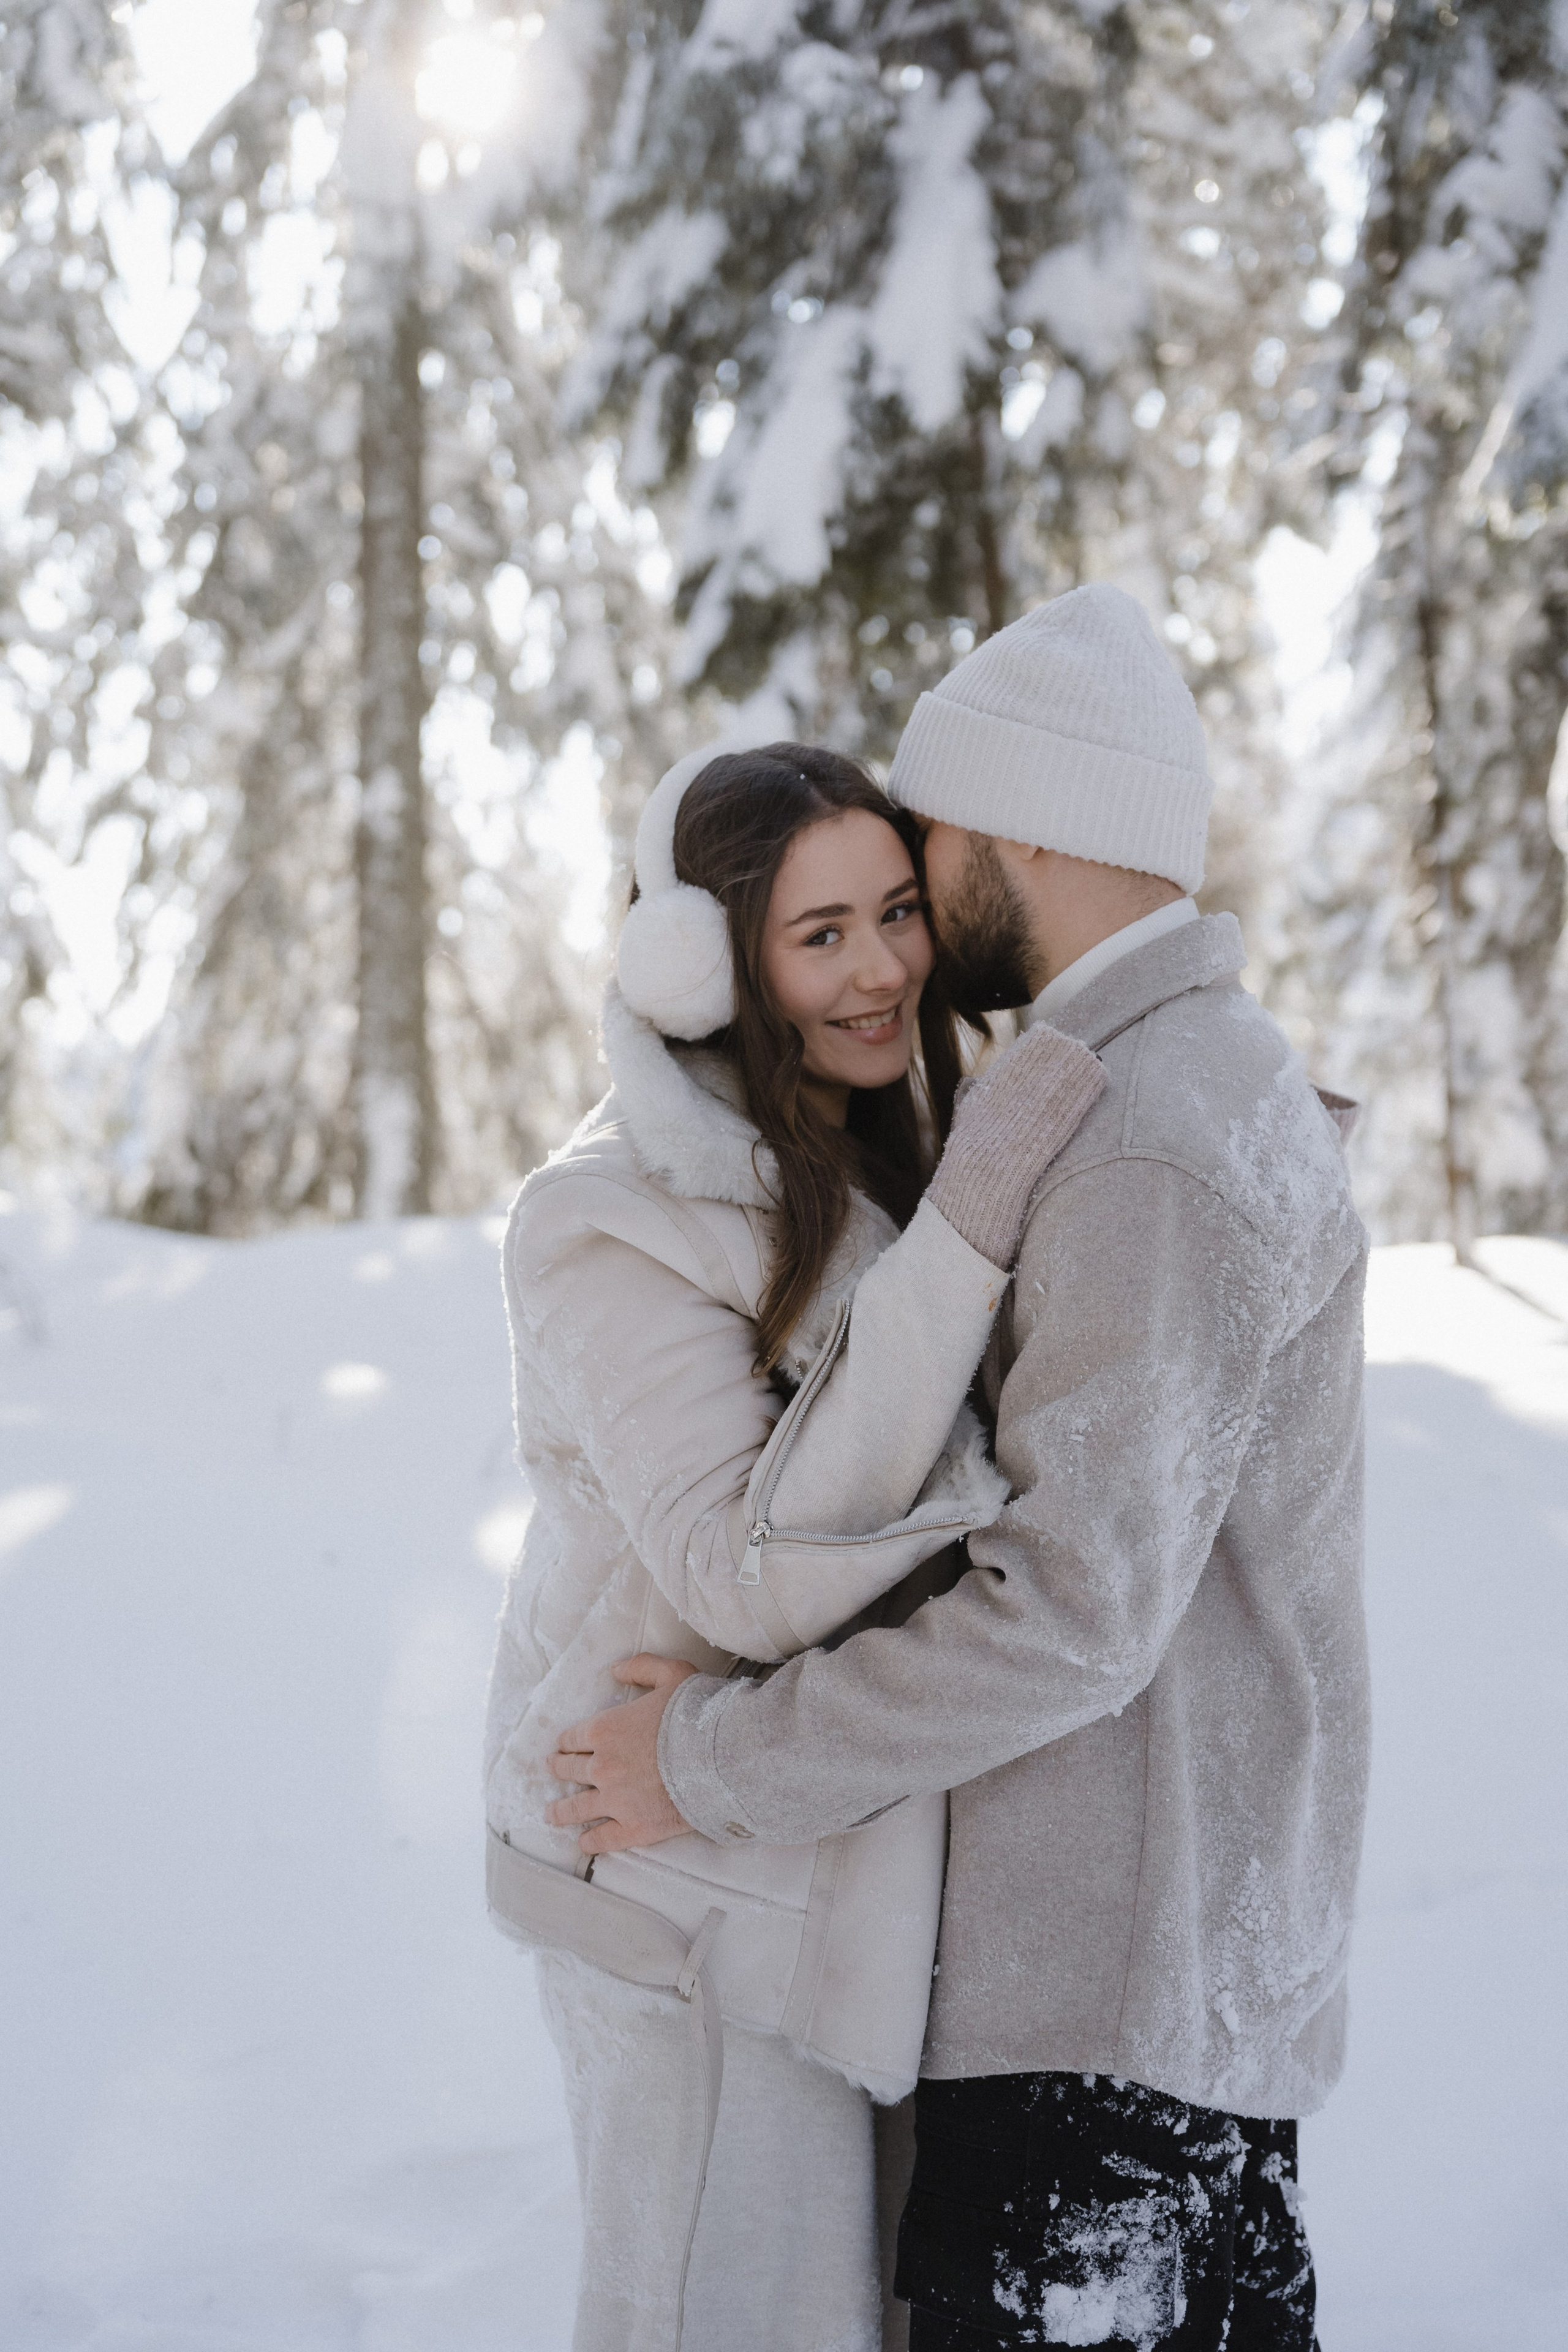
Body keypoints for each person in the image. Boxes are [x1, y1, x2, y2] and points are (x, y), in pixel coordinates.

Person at [547, 585, 1371, 2352]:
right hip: (1142, 1996)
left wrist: (714, 1758)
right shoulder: (1167, 1088)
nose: (905, 924)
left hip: (1103, 2012)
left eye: (924, 852)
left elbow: (1069, 1612)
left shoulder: (1141, 1135)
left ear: (1018, 828)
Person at [484, 741, 1106, 2352]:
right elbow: (735, 1575)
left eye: (896, 912)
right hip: (675, 1888)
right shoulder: (607, 1219)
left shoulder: (881, 1151)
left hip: (835, 1862)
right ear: (708, 970)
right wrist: (970, 1238)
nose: (882, 969)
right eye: (819, 935)